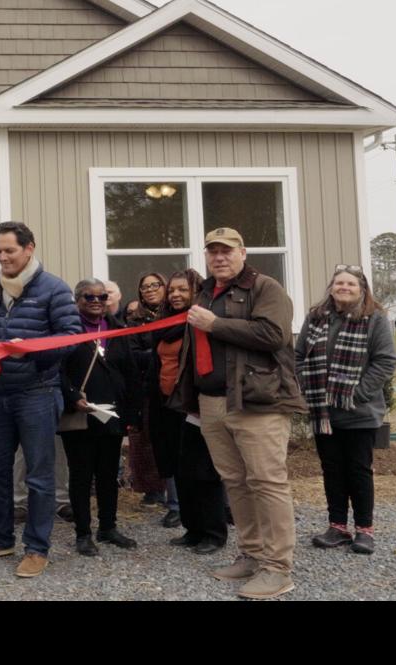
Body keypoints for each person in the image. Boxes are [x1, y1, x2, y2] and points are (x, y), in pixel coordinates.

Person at [171, 227, 305, 599]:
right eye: (212, 251)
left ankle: (278, 569)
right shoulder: (205, 292)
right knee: (235, 481)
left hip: (256, 402)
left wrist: (215, 324)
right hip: (212, 402)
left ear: (243, 253)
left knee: (267, 482)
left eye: (227, 251)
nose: (219, 257)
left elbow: (274, 335)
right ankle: (252, 554)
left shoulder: (265, 288)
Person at [0, 221, 80, 579]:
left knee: (39, 475)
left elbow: (71, 336)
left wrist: (31, 351)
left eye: (9, 250)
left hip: (38, 393)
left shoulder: (54, 288)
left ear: (29, 248)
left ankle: (37, 548)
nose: (2, 257)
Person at [299, 265, 396, 555]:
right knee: (332, 470)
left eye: (351, 284)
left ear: (362, 289)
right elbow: (298, 355)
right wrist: (306, 384)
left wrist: (358, 394)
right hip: (323, 411)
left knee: (358, 471)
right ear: (331, 287)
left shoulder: (375, 319)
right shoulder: (316, 317)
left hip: (359, 412)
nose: (344, 287)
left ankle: (364, 530)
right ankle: (338, 527)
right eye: (339, 282)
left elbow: (385, 361)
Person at [58, 278, 142, 556]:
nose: (96, 301)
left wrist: (132, 413)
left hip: (112, 413)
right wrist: (72, 396)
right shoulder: (68, 330)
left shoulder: (118, 329)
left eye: (102, 297)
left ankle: (108, 527)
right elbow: (58, 370)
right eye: (89, 297)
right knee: (81, 476)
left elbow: (130, 371)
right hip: (80, 413)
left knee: (108, 475)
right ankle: (83, 533)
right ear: (77, 300)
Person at [151, 269, 226, 553]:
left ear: (196, 292)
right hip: (168, 406)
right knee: (180, 471)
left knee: (203, 471)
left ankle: (213, 532)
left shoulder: (201, 323)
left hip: (196, 406)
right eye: (172, 290)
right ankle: (192, 528)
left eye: (183, 289)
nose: (176, 295)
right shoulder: (163, 324)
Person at [125, 272, 172, 521]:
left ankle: (174, 492)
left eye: (155, 285)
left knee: (169, 439)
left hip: (172, 386)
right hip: (145, 386)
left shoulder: (174, 314)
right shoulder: (134, 320)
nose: (150, 289)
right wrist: (159, 354)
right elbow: (132, 354)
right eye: (145, 287)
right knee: (145, 440)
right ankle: (152, 490)